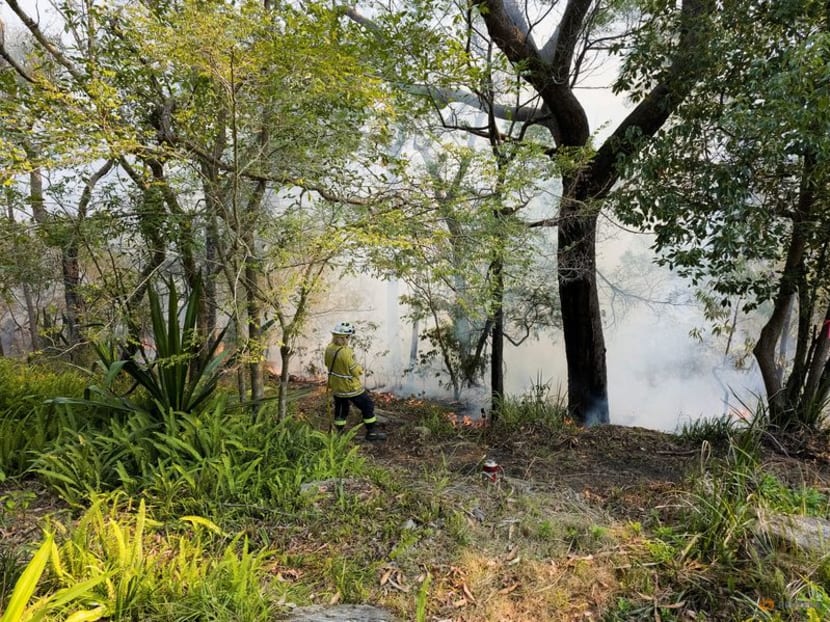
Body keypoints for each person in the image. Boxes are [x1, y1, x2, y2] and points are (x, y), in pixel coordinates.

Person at [324, 321, 386, 441]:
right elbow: (355, 371)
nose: (349, 339)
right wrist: (360, 369)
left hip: (336, 386)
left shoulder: (329, 348)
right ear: (345, 337)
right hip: (350, 387)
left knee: (341, 408)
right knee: (367, 405)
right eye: (349, 337)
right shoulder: (346, 352)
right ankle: (371, 432)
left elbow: (327, 363)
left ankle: (340, 433)